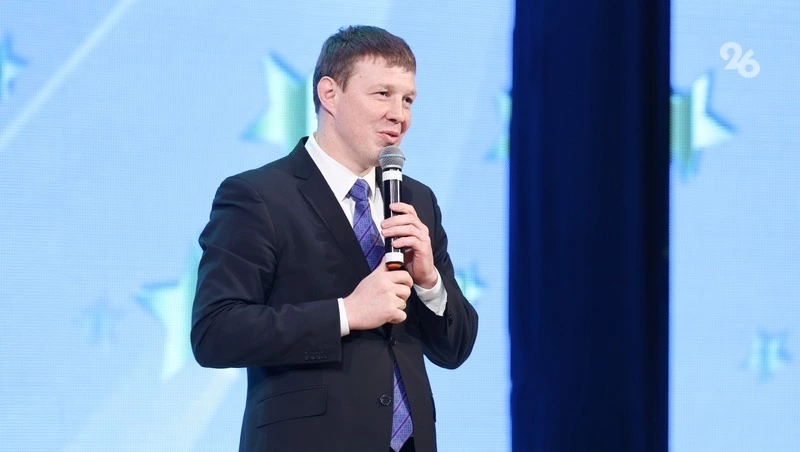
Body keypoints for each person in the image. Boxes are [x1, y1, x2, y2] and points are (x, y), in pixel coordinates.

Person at [191, 25, 478, 452]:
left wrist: (429, 282)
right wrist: (346, 313)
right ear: (330, 93)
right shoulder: (259, 196)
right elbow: (215, 331)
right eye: (382, 94)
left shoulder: (416, 199)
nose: (399, 114)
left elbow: (455, 349)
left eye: (408, 99)